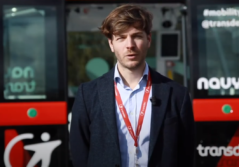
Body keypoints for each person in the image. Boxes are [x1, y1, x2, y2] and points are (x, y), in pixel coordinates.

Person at [70, 4, 195, 167]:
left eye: (136, 36)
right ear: (111, 44)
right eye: (121, 37)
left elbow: (186, 155)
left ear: (148, 39)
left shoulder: (177, 95)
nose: (130, 45)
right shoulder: (87, 94)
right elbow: (79, 153)